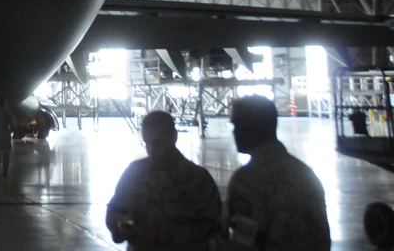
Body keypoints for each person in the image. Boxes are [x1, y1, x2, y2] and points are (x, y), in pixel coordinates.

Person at [223, 95, 330, 250]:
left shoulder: (247, 180)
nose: (234, 133)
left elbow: (240, 245)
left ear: (249, 127)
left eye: (236, 125)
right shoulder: (305, 173)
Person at [106, 110, 221, 251]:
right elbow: (115, 213)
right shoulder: (135, 173)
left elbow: (214, 228)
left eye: (158, 143)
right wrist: (131, 227)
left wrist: (164, 233)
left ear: (173, 137)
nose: (152, 150)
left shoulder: (198, 179)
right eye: (147, 144)